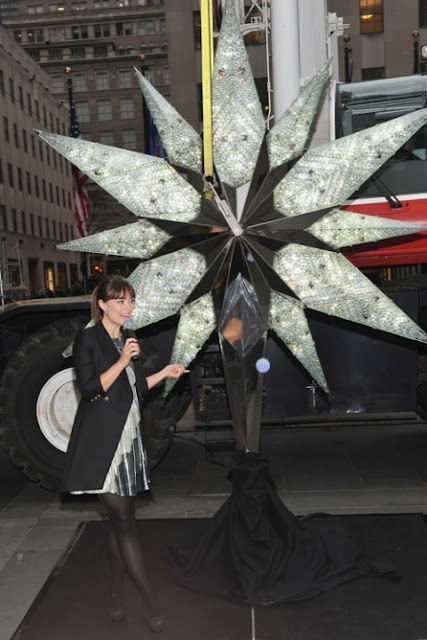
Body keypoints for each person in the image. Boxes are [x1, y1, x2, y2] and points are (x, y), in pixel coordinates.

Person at [61, 275, 188, 633]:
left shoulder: (126, 339)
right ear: (102, 304)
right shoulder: (88, 338)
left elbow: (132, 389)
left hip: (128, 439)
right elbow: (89, 389)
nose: (128, 308)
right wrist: (121, 359)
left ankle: (116, 594)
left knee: (120, 523)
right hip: (103, 445)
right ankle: (150, 600)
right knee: (126, 524)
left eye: (131, 301)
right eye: (120, 301)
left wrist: (165, 371)